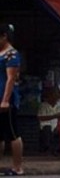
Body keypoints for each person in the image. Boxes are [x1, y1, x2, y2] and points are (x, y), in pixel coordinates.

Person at [0, 23, 23, 175]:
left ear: (4, 36)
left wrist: (5, 99)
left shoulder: (12, 55)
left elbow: (11, 79)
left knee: (13, 133)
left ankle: (17, 167)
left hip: (6, 99)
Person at [37, 87, 60, 154]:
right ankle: (47, 149)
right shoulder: (43, 105)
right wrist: (54, 116)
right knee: (47, 129)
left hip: (56, 124)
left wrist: (58, 126)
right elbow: (41, 117)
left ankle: (57, 150)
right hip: (45, 125)